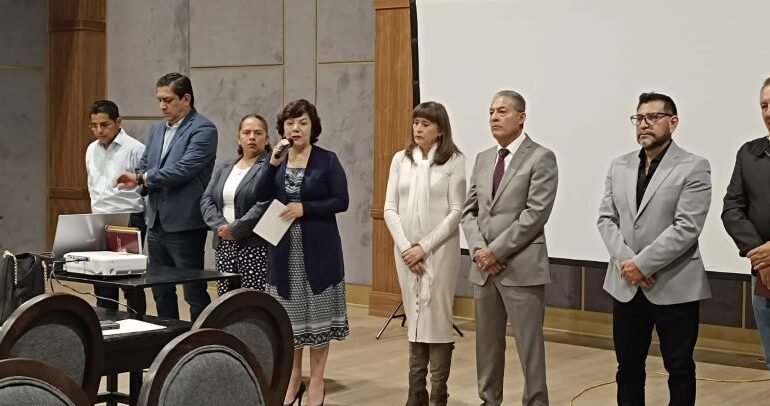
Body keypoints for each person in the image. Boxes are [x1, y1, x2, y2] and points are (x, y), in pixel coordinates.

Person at [597, 92, 712, 406]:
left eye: (653, 117)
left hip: (673, 284)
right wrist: (628, 263)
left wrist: (643, 265)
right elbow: (606, 219)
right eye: (639, 118)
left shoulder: (693, 166)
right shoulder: (619, 166)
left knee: (679, 368)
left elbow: (687, 227)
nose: (644, 124)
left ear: (673, 122)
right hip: (626, 284)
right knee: (628, 367)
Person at [461, 90, 558, 406]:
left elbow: (535, 214)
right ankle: (489, 400)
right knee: (487, 345)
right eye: (491, 111)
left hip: (521, 267)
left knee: (529, 346)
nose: (494, 117)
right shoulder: (483, 158)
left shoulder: (541, 157)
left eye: (502, 111)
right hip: (483, 268)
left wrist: (496, 252)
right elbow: (469, 211)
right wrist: (480, 251)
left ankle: (536, 402)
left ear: (521, 117)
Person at [257, 99, 349, 406]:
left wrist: (304, 208)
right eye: (290, 123)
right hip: (284, 251)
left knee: (318, 319)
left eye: (303, 123)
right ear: (282, 128)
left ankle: (317, 381)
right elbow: (258, 195)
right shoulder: (277, 159)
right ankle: (293, 378)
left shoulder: (328, 160)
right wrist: (272, 163)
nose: (296, 128)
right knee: (290, 320)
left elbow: (341, 200)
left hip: (318, 249)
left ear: (313, 127)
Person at [384, 101, 466, 406]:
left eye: (426, 124)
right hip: (405, 250)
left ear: (440, 130)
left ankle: (439, 394)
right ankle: (415, 393)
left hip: (439, 251)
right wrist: (407, 247)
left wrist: (424, 247)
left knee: (437, 318)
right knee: (415, 316)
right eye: (416, 122)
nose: (418, 128)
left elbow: (456, 210)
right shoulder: (400, 160)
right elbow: (390, 207)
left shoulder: (454, 161)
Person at [117, 72, 217, 321]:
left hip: (185, 223)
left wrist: (142, 178)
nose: (162, 106)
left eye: (168, 100)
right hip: (156, 222)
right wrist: (139, 177)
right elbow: (144, 164)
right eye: (159, 100)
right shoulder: (156, 129)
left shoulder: (203, 129)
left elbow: (184, 169)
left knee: (193, 291)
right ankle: (168, 337)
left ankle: (202, 338)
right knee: (161, 290)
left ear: (186, 99)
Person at [722, 77, 770, 372]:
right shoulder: (749, 154)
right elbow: (732, 209)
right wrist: (759, 254)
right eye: (764, 105)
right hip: (763, 274)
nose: (769, 112)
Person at [85, 99, 147, 316]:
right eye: (94, 126)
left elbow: (146, 186)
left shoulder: (135, 149)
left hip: (128, 217)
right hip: (99, 217)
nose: (99, 131)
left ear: (118, 122)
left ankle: (136, 321)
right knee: (101, 277)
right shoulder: (91, 149)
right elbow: (92, 184)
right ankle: (106, 321)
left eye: (104, 125)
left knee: (129, 278)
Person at [201, 114, 272, 294]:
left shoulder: (270, 168)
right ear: (238, 138)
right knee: (226, 299)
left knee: (252, 298)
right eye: (246, 132)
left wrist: (235, 229)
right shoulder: (223, 167)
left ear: (267, 139)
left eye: (258, 133)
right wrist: (221, 227)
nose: (252, 137)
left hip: (254, 246)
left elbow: (265, 204)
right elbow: (207, 199)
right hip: (224, 243)